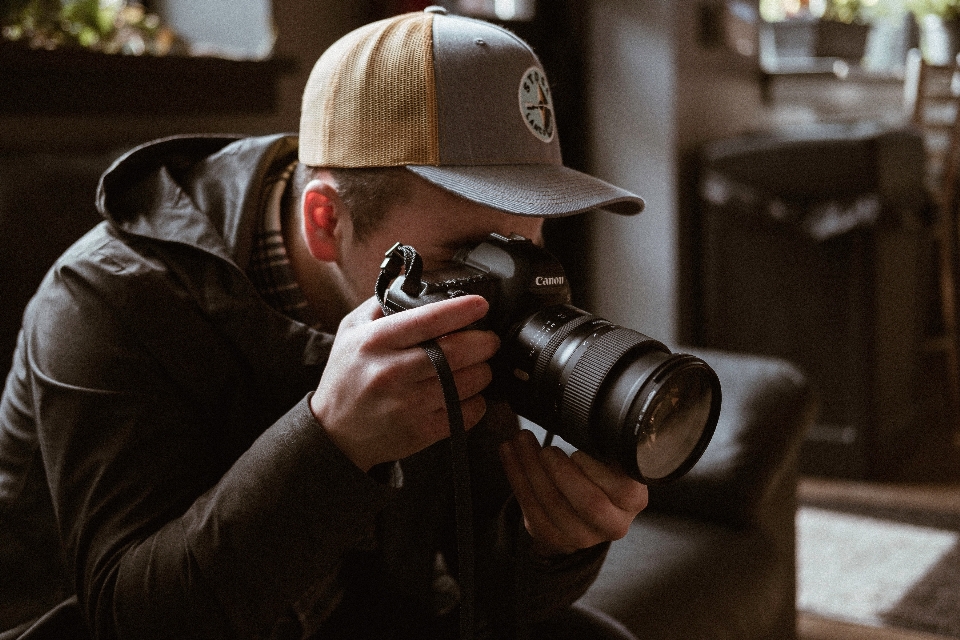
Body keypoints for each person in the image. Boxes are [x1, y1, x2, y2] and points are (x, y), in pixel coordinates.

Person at [0, 7, 649, 639]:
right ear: (325, 222)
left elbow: (478, 577)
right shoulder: (109, 297)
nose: (508, 278)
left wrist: (554, 545)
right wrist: (332, 440)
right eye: (474, 255)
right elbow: (128, 619)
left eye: (527, 240)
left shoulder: (459, 301)